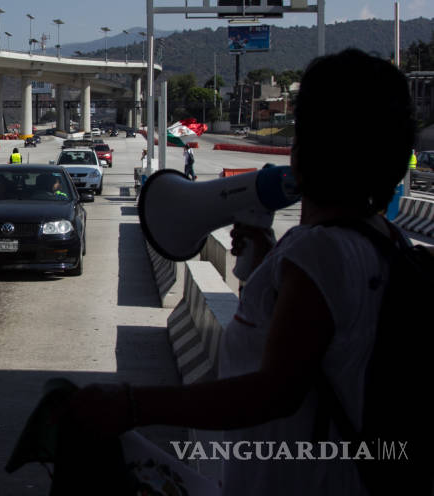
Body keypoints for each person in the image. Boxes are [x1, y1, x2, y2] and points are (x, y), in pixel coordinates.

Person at [43, 49, 427, 495]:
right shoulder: (386, 244)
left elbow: (271, 393)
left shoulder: (319, 252)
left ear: (310, 145)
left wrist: (131, 404)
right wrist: (266, 265)